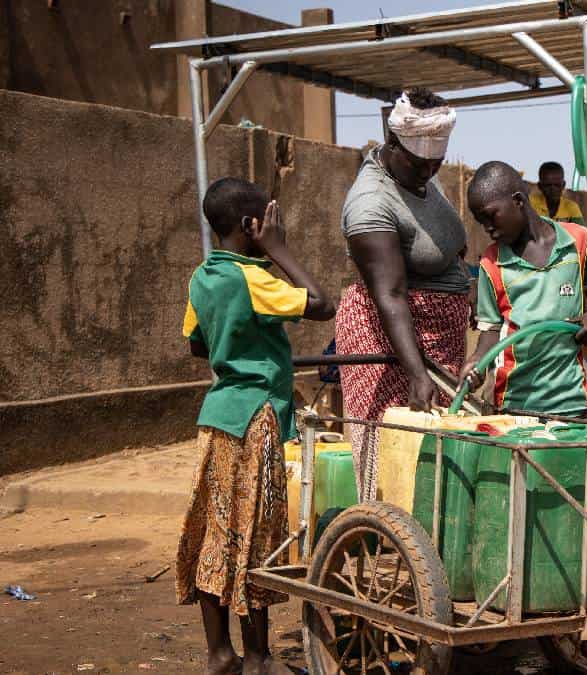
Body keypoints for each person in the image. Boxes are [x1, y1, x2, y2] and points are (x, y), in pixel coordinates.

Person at [177, 179, 336, 675]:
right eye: (267, 220)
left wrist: (240, 339)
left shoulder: (202, 278)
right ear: (252, 226)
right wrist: (280, 250)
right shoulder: (254, 279)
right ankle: (260, 657)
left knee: (215, 532)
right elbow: (321, 302)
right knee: (255, 537)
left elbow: (197, 345)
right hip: (258, 418)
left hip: (217, 414)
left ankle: (219, 652)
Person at [336, 88, 471, 499]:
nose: (430, 171)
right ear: (393, 144)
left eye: (438, 162)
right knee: (390, 451)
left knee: (434, 452)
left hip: (437, 339)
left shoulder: (421, 177)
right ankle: (387, 545)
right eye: (421, 163)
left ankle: (424, 544)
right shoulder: (370, 202)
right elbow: (391, 294)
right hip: (392, 342)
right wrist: (416, 373)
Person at [460, 161, 587, 416]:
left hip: (572, 398)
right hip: (516, 404)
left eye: (490, 215)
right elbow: (490, 329)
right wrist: (477, 362)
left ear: (518, 201)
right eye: (480, 221)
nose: (487, 228)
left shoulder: (577, 239)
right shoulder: (491, 263)